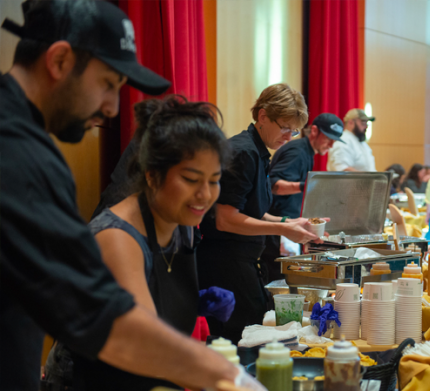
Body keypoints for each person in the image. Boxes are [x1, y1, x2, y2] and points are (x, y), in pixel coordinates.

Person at [0, 2, 261, 391]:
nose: (111, 108)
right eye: (108, 83)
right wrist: (228, 376)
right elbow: (108, 320)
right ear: (58, 60)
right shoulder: (20, 154)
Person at [46, 95, 237, 390]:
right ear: (152, 175)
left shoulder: (180, 219)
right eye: (190, 178)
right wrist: (223, 374)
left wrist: (192, 302)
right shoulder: (117, 236)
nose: (204, 195)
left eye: (214, 180)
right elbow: (143, 339)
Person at [197, 83, 319, 343]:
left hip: (242, 259)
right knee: (243, 338)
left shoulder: (259, 152)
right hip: (226, 262)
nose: (288, 136)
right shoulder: (244, 152)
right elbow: (226, 218)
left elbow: (253, 211)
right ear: (262, 116)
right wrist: (283, 229)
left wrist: (291, 221)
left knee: (254, 330)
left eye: (294, 130)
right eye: (285, 127)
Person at [261, 113, 345, 283]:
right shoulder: (298, 151)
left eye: (334, 139)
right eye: (328, 138)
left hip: (286, 226)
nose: (331, 144)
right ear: (314, 130)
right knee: (279, 281)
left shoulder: (305, 151)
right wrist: (308, 186)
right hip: (278, 228)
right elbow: (274, 185)